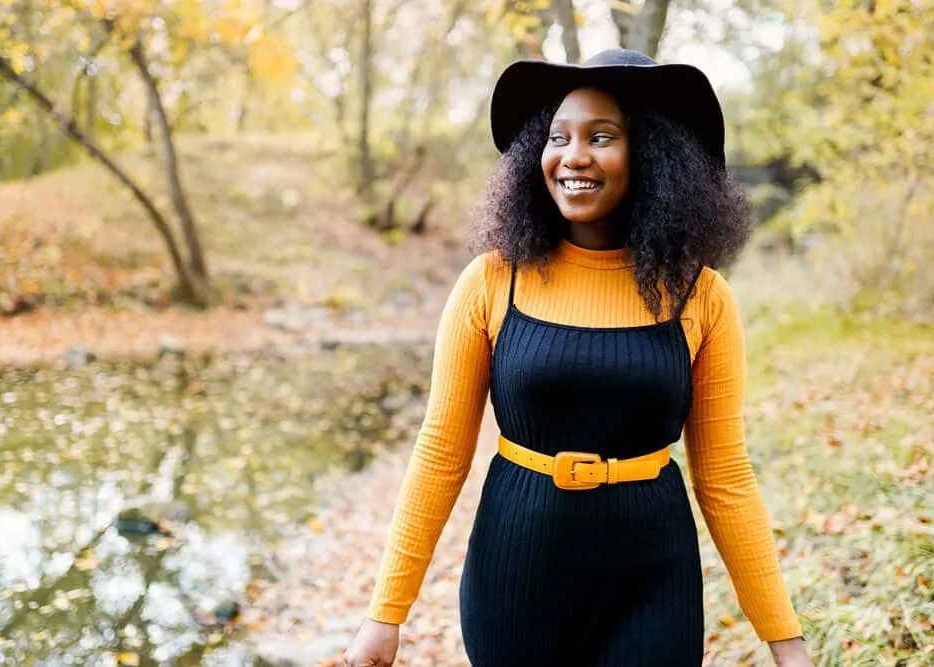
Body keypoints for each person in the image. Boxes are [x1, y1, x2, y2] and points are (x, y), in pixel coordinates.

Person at [343, 49, 815, 667]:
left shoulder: (702, 295)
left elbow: (725, 477)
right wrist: (386, 614)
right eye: (557, 136)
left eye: (601, 136)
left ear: (650, 154)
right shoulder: (491, 282)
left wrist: (787, 642)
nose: (573, 156)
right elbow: (440, 452)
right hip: (516, 575)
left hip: (653, 582)